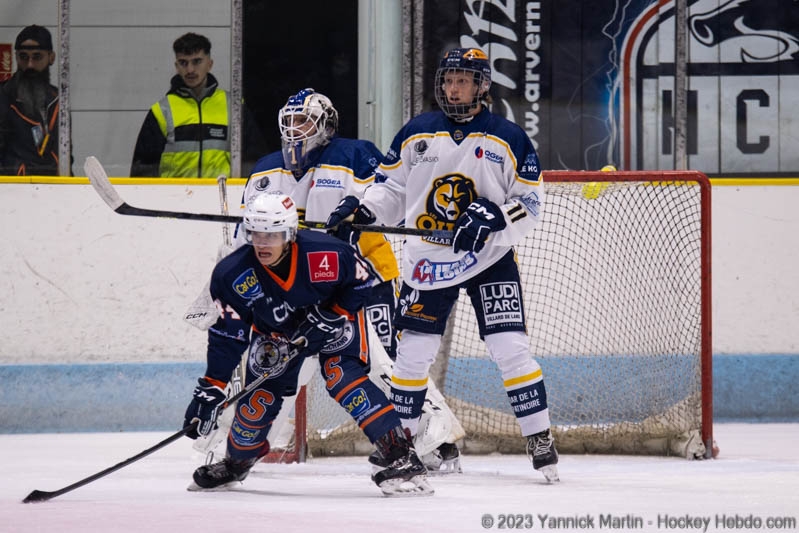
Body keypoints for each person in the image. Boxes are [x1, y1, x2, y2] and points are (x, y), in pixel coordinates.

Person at [326, 47, 560, 482]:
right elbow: (391, 190)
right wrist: (363, 211)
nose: (453, 88)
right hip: (430, 259)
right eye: (448, 79)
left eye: (463, 80)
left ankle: (540, 436)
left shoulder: (509, 137)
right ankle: (402, 443)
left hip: (489, 258)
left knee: (510, 349)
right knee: (412, 358)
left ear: (482, 86)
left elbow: (530, 203)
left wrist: (497, 216)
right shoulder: (418, 133)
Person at [234, 88, 465, 472]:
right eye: (288, 122)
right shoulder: (265, 170)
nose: (294, 129)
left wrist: (358, 216)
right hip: (298, 289)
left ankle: (435, 440)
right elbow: (252, 233)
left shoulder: (354, 155)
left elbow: (395, 191)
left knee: (385, 361)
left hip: (364, 279)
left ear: (325, 124)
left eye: (303, 121)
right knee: (272, 363)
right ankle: (245, 442)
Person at [183, 192, 432, 496]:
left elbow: (364, 281)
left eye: (272, 234)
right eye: (256, 234)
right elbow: (227, 334)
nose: (262, 243)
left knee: (343, 378)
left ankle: (401, 456)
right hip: (276, 335)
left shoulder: (324, 252)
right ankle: (236, 463)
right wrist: (211, 386)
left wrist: (333, 315)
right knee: (259, 397)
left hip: (335, 322)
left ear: (288, 235)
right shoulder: (232, 273)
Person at [130, 32, 266, 178]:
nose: (190, 70)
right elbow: (142, 170)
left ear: (209, 64)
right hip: (173, 197)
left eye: (197, 61)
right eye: (183, 63)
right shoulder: (162, 111)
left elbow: (255, 160)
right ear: (176, 66)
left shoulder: (233, 106)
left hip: (222, 195)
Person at [0, 25, 65, 176]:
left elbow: (66, 156)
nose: (30, 65)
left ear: (51, 57)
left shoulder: (58, 101)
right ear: (16, 57)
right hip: (13, 188)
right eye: (23, 57)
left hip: (54, 188)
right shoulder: (3, 97)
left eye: (37, 57)